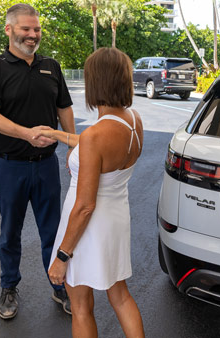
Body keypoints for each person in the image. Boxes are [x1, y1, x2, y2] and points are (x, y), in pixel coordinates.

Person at [34, 47, 145, 338]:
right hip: (116, 220)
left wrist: (62, 255)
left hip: (86, 226)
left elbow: (84, 206)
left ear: (96, 82)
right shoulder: (133, 120)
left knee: (81, 306)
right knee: (120, 295)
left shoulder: (97, 134)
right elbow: (96, 142)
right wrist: (59, 134)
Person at [0, 3, 75, 319]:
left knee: (53, 232)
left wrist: (73, 145)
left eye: (36, 30)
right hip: (9, 166)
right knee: (10, 233)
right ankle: (8, 287)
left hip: (46, 165)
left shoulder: (52, 66)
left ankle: (59, 287)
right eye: (26, 29)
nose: (33, 35)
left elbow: (64, 107)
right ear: (9, 29)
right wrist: (26, 134)